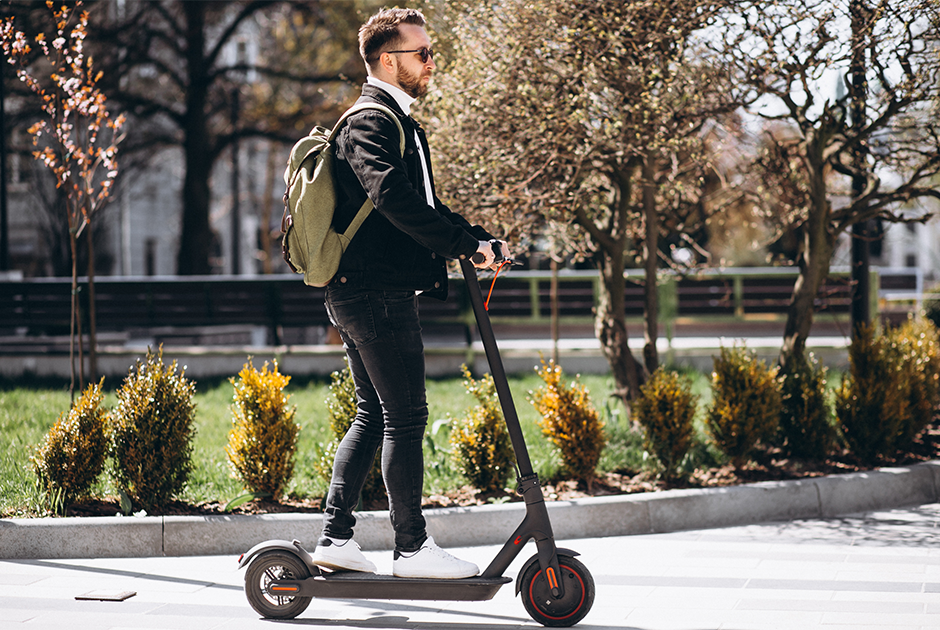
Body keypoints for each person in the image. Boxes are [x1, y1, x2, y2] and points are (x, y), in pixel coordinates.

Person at [311, 7, 510, 580]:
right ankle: (412, 549)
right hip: (373, 293)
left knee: (374, 413)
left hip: (366, 291)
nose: (431, 62)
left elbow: (422, 203)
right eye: (422, 53)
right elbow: (393, 199)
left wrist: (475, 240)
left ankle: (336, 539)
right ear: (387, 59)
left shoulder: (396, 121)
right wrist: (460, 246)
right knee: (405, 415)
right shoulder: (369, 123)